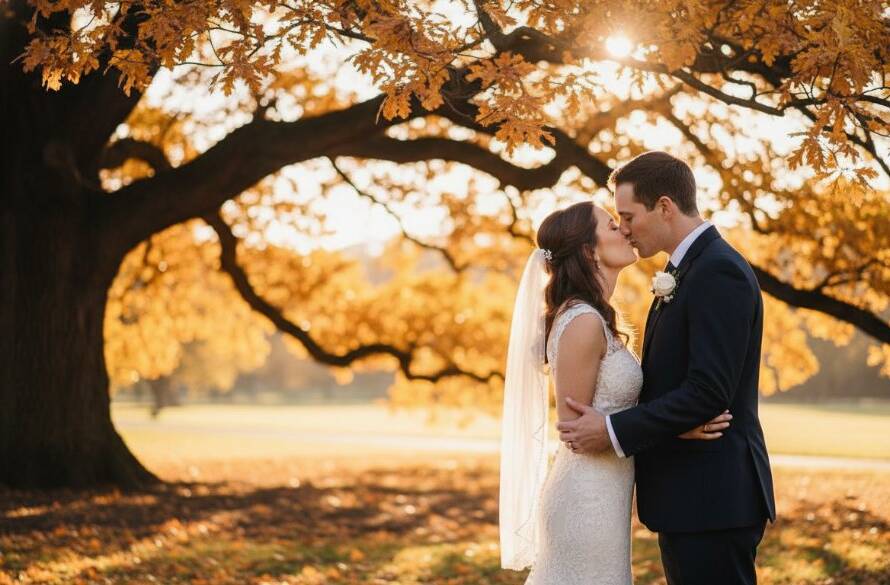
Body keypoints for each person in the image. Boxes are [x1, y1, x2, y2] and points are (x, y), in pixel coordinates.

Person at [555, 151, 776, 584]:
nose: (624, 228)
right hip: (691, 497)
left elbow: (709, 391)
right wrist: (673, 426)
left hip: (711, 497)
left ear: (664, 207)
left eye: (628, 215)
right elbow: (672, 385)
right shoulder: (686, 270)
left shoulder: (717, 271)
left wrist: (614, 430)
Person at [499, 195, 733, 584]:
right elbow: (577, 432)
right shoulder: (582, 322)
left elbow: (609, 422)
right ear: (590, 252)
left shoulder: (598, 319)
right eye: (611, 225)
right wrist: (672, 429)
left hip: (607, 495)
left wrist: (669, 424)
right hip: (585, 500)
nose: (624, 229)